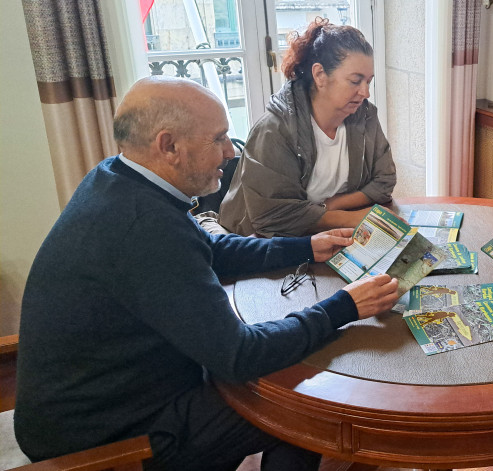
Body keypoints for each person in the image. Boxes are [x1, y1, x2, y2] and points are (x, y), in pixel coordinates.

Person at [14, 76, 400, 471]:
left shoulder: (117, 178)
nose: (231, 153)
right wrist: (344, 307)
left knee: (294, 383)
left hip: (115, 393)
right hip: (110, 438)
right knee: (309, 405)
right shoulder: (144, 228)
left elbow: (211, 248)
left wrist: (305, 246)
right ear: (169, 147)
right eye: (218, 139)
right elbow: (239, 356)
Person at [219, 18, 395, 237]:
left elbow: (384, 180)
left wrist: (332, 205)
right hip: (258, 243)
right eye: (355, 81)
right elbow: (272, 217)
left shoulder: (365, 115)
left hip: (325, 233)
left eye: (368, 81)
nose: (365, 92)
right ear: (320, 75)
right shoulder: (274, 129)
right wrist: (351, 218)